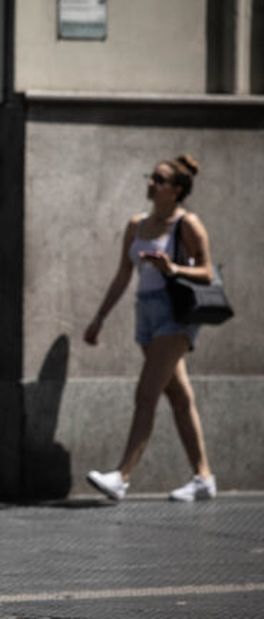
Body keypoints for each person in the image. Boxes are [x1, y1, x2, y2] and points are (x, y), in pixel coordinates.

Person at [84, 154, 217, 502]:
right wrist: (100, 317)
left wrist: (173, 268)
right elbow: (122, 274)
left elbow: (207, 272)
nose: (151, 184)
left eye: (159, 180)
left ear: (176, 190)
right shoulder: (137, 224)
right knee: (179, 397)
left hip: (175, 316)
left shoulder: (187, 224)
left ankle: (122, 476)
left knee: (146, 393)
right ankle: (203, 477)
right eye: (151, 177)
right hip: (146, 314)